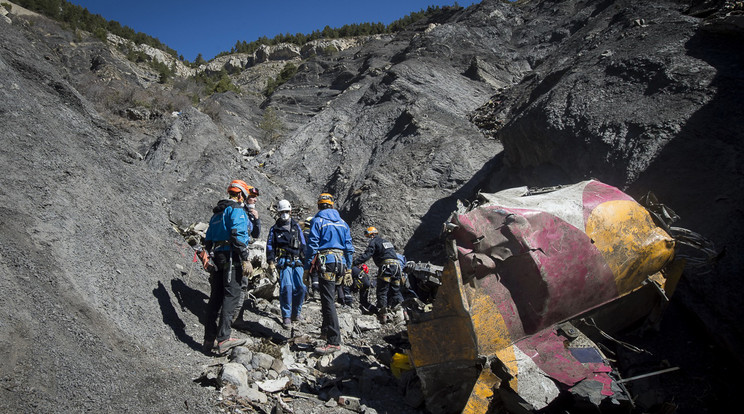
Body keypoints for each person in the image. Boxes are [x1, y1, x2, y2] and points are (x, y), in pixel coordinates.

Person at [201, 180, 252, 355]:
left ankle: (208, 339)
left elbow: (207, 238)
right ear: (240, 195)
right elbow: (238, 233)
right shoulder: (236, 210)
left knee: (215, 297)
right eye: (244, 196)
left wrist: (207, 253)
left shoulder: (217, 213)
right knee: (231, 296)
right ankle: (224, 338)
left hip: (217, 256)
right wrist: (245, 258)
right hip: (232, 257)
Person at [306, 193, 354, 354]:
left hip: (327, 261)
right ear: (332, 206)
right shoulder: (343, 223)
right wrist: (348, 268)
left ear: (319, 206)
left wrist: (308, 268)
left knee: (327, 301)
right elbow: (349, 247)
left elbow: (312, 245)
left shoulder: (317, 221)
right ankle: (325, 331)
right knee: (330, 297)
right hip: (340, 262)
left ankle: (333, 341)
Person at [266, 200, 306, 329]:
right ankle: (286, 316)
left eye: (286, 212)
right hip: (284, 261)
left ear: (290, 211)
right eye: (282, 212)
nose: (284, 214)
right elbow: (270, 246)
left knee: (301, 288)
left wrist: (307, 262)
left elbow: (303, 243)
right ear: (278, 213)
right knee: (286, 288)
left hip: (297, 260)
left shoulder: (296, 227)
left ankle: (296, 313)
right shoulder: (275, 229)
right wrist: (271, 262)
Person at [353, 226, 403, 324]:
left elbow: (368, 254)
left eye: (368, 236)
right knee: (396, 291)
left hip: (386, 267)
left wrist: (355, 262)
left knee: (382, 291)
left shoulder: (374, 242)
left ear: (371, 235)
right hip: (397, 267)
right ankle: (403, 313)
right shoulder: (386, 242)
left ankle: (382, 315)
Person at [302, 216, 319, 299]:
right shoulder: (314, 234)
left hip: (303, 257)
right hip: (313, 256)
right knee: (314, 274)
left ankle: (306, 293)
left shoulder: (302, 233)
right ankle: (316, 292)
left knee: (305, 274)